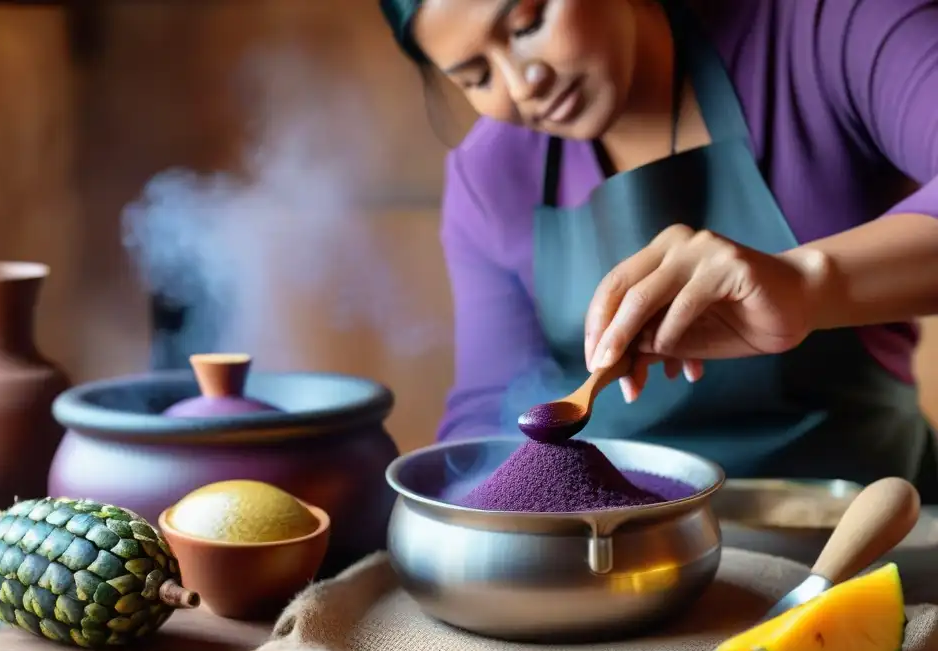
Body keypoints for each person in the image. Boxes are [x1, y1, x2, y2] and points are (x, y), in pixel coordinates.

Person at [378, 0, 938, 500]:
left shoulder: (832, 25)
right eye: (476, 78)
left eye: (528, 24)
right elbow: (488, 415)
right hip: (628, 564)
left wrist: (808, 286)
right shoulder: (490, 173)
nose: (521, 84)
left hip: (870, 527)